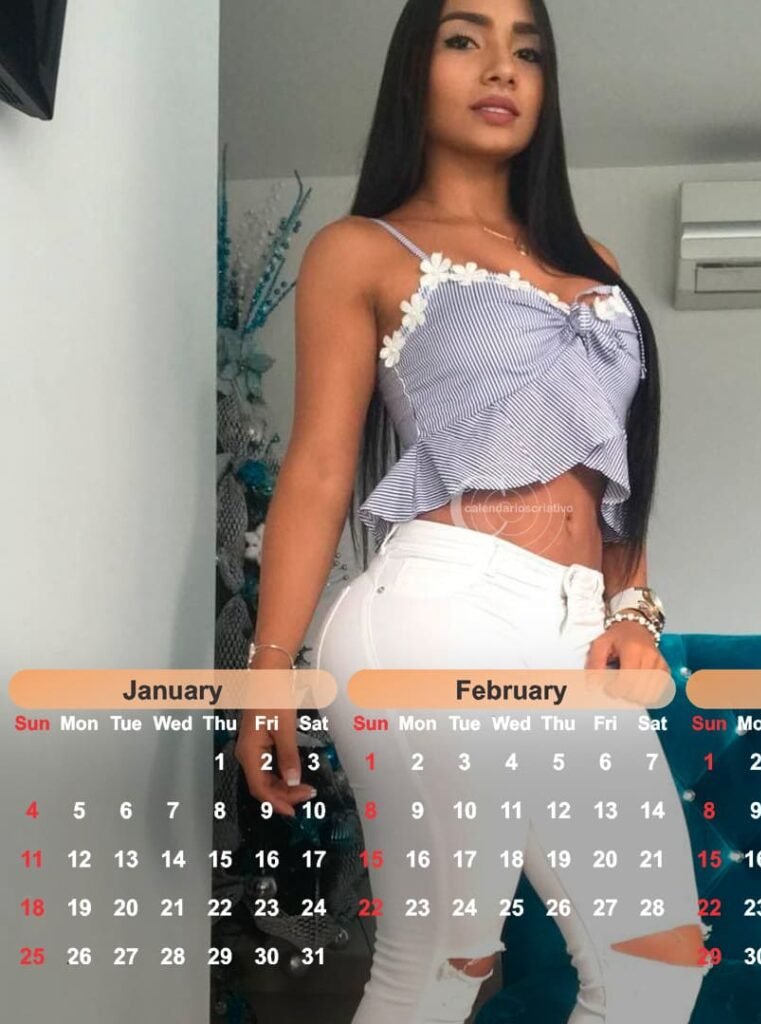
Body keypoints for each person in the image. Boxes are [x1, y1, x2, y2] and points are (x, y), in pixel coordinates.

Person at [235, 0, 710, 1020]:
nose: (501, 68)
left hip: (575, 629)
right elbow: (318, 468)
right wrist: (268, 672)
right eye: (465, 40)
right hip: (439, 610)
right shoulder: (361, 250)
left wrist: (632, 611)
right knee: (444, 962)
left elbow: (614, 464)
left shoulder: (595, 262)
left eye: (526, 51)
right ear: (416, 68)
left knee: (659, 966)